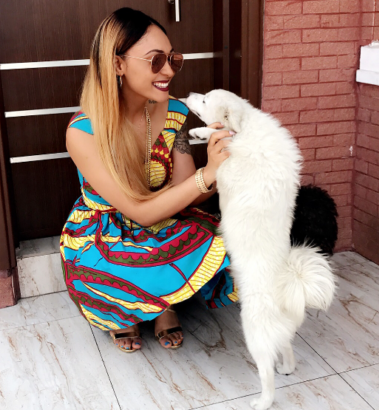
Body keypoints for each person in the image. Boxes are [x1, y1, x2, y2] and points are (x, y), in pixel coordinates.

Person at [60, 7, 237, 353]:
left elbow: (188, 193)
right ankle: (129, 310)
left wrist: (221, 165)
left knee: (234, 239)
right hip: (104, 231)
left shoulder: (175, 113)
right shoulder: (83, 131)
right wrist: (207, 174)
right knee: (111, 267)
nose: (168, 71)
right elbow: (139, 213)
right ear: (117, 64)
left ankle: (159, 303)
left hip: (166, 217)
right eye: (156, 60)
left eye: (173, 59)